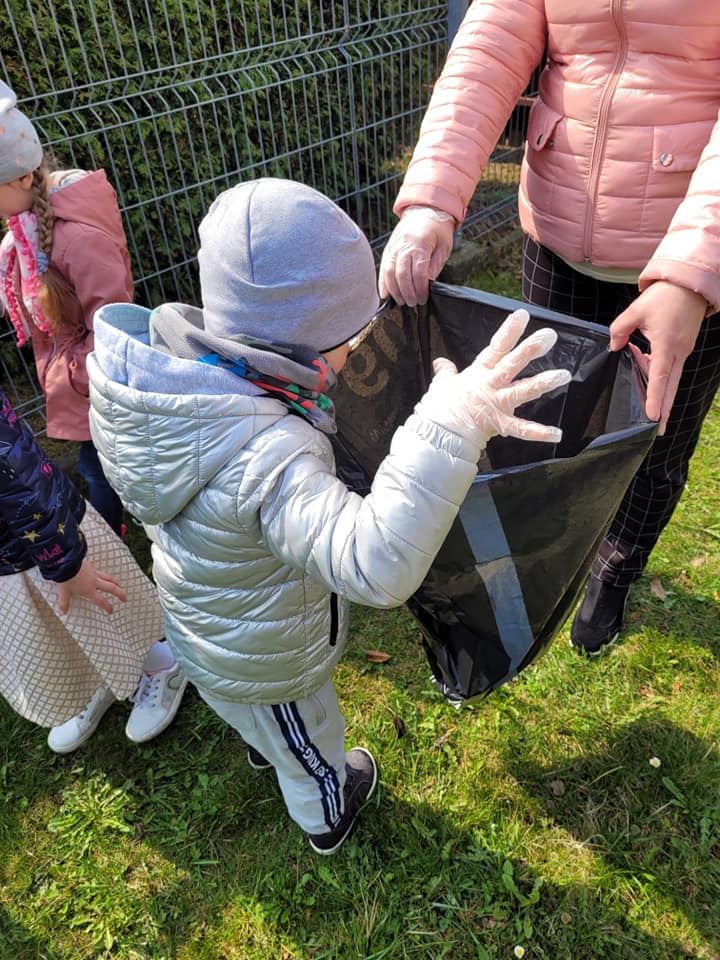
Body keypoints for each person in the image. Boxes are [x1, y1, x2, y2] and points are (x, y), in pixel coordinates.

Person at [86, 177, 570, 854]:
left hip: (208, 627)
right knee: (307, 737)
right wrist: (452, 425)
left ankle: (269, 744)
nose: (356, 347)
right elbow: (374, 564)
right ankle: (327, 810)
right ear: (299, 343)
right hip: (265, 662)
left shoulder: (177, 387)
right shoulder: (264, 455)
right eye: (349, 334)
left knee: (259, 722)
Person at [378, 0, 720, 656]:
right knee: (542, 417)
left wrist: (691, 273)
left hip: (687, 270)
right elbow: (487, 52)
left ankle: (615, 566)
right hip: (557, 239)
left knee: (656, 443)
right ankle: (544, 554)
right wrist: (432, 200)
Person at [0, 389, 187, 753]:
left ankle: (161, 664)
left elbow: (18, 477)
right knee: (64, 630)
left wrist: (64, 562)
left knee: (103, 612)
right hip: (15, 556)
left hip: (43, 545)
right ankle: (103, 677)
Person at [0, 80, 131, 536]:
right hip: (76, 381)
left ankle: (115, 535)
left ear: (20, 177)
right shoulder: (23, 233)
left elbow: (112, 323)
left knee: (104, 470)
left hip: (96, 381)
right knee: (97, 466)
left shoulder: (80, 241)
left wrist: (77, 376)